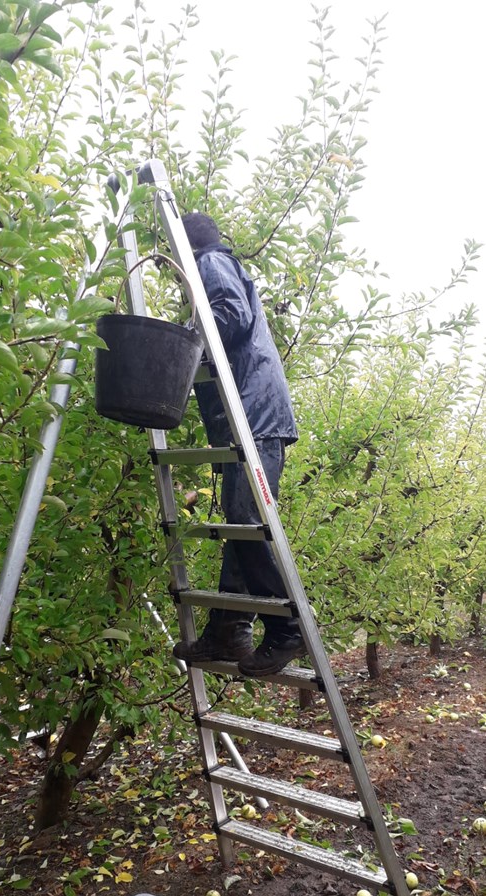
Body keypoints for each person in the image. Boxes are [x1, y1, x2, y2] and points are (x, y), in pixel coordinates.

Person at [172, 212, 306, 676]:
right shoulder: (216, 265)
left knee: (247, 520)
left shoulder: (210, 263)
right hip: (248, 417)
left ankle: (287, 628)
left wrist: (185, 342)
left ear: (186, 246)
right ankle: (228, 629)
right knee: (239, 524)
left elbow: (231, 315)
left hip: (256, 418)